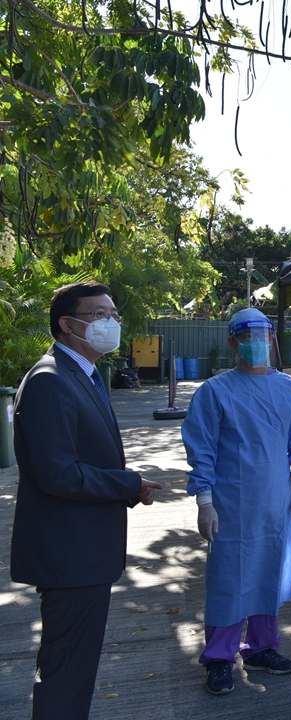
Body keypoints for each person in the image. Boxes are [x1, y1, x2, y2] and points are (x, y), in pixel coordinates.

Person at [11, 281, 162, 720]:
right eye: (99, 314)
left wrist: (128, 488)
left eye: (113, 314)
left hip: (85, 550)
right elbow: (58, 473)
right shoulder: (50, 380)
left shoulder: (84, 373)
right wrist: (127, 484)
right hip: (70, 554)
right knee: (66, 671)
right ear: (67, 323)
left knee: (75, 668)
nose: (111, 322)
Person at [180, 308, 291, 696]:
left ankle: (262, 648)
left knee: (267, 576)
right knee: (229, 580)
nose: (256, 342)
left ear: (272, 340)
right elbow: (201, 449)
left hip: (276, 502)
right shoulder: (215, 392)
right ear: (231, 343)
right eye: (246, 335)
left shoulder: (290, 389)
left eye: (262, 335)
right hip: (231, 504)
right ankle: (220, 657)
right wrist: (204, 501)